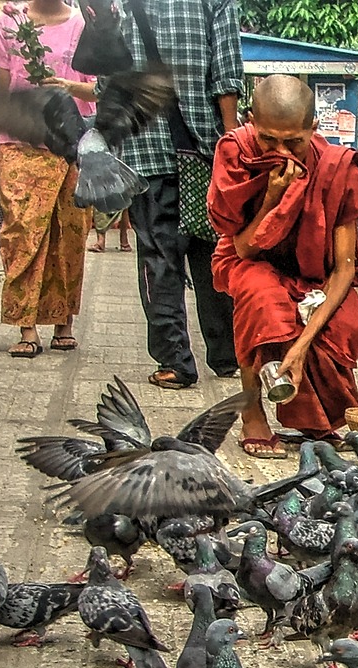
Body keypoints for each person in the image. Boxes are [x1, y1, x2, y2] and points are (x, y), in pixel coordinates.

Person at [207, 74, 358, 458]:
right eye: (268, 140)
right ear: (250, 121)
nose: (281, 152)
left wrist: (301, 346)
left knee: (345, 324)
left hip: (315, 271)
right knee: (262, 300)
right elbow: (242, 246)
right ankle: (251, 409)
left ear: (313, 129)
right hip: (248, 256)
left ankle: (315, 420)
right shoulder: (235, 153)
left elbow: (343, 270)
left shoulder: (338, 168)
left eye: (294, 142)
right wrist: (272, 196)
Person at [107, 0, 244, 388]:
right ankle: (228, 355)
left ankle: (175, 362)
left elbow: (107, 78)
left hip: (144, 149)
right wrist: (229, 141)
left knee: (159, 259)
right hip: (203, 148)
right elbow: (227, 69)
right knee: (214, 254)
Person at [0, 0, 95, 358]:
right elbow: (0, 85)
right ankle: (26, 326)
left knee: (70, 233)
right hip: (19, 144)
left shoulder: (85, 24)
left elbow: (99, 87)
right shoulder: (10, 21)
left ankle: (63, 323)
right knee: (21, 231)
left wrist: (67, 88)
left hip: (73, 143)